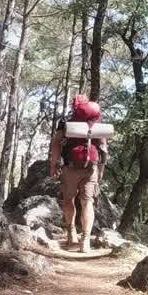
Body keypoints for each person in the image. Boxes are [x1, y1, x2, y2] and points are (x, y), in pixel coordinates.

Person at [50, 95, 108, 252]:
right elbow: (103, 148)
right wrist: (101, 169)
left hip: (70, 167)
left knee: (69, 200)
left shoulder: (66, 122)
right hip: (91, 167)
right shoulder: (96, 124)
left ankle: (71, 233)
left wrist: (54, 164)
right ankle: (86, 239)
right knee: (87, 202)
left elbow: (56, 143)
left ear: (75, 106)